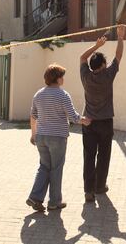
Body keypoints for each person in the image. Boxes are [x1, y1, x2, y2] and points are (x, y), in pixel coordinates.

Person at [27, 64, 90, 213]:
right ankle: (54, 202)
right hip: (57, 137)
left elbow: (33, 115)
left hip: (41, 136)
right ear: (58, 78)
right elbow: (73, 117)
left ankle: (35, 197)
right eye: (62, 76)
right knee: (56, 169)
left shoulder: (39, 94)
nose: (64, 79)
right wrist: (85, 120)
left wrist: (33, 134)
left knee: (44, 167)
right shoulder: (63, 95)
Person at [80, 25, 124, 202]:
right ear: (103, 65)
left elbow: (82, 57)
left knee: (88, 156)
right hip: (105, 122)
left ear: (92, 66)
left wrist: (97, 46)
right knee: (104, 155)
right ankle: (100, 186)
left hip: (88, 122)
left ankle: (88, 190)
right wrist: (120, 37)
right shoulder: (108, 75)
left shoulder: (85, 76)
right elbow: (118, 56)